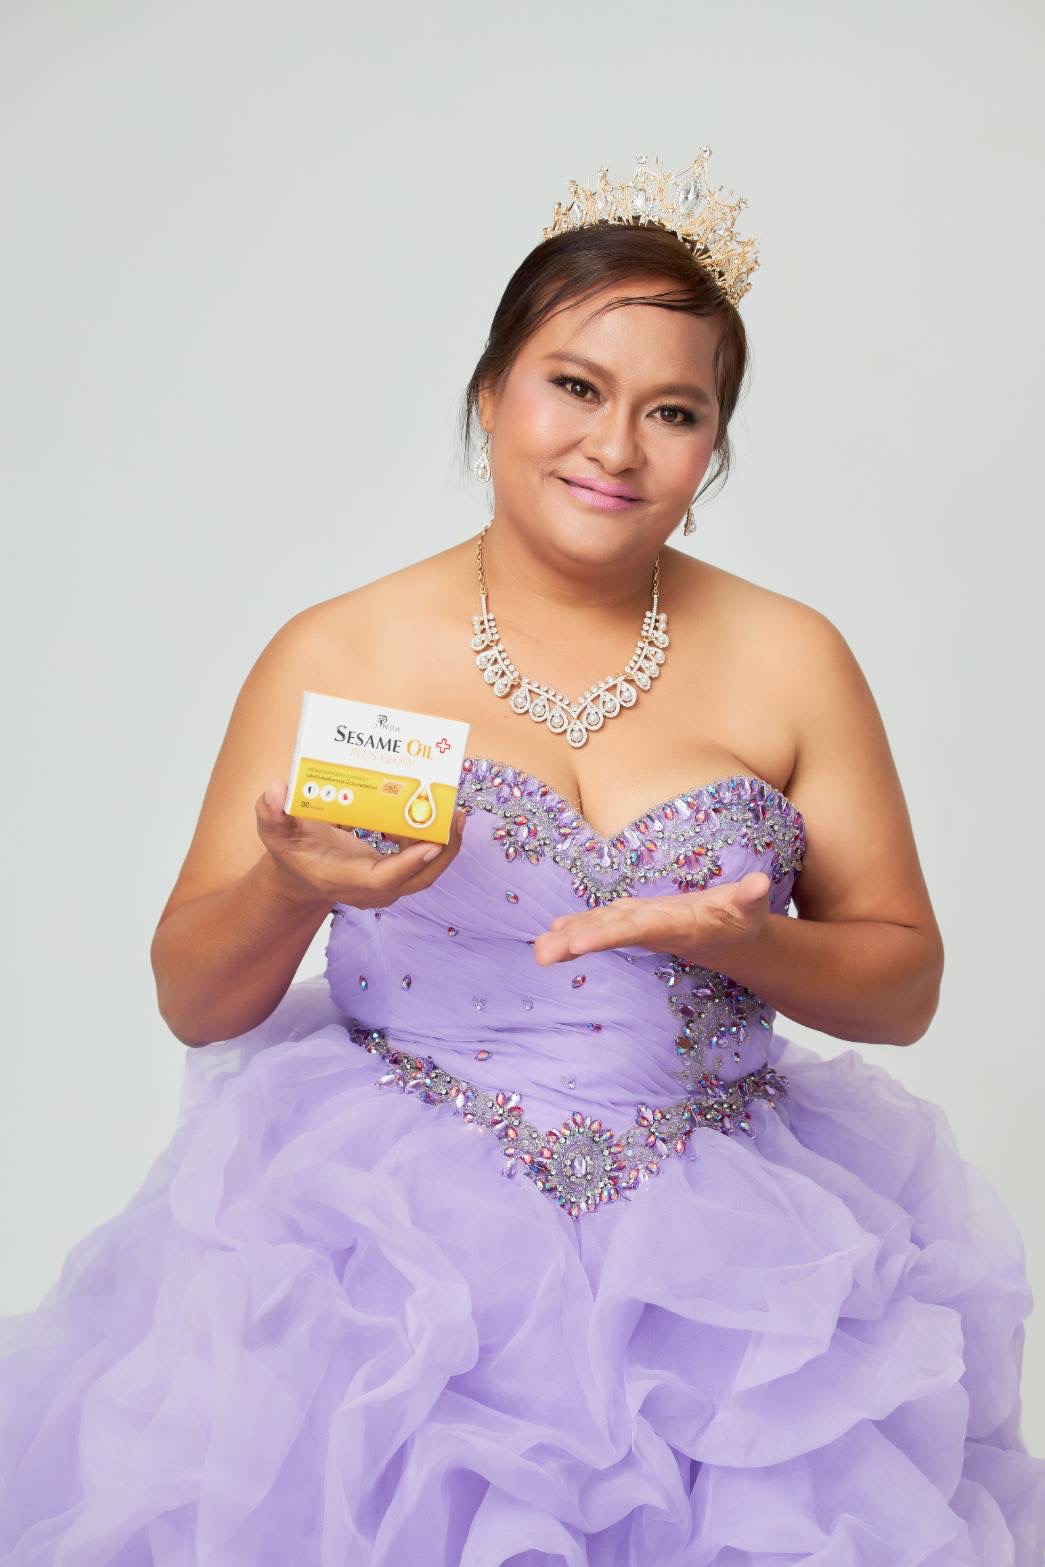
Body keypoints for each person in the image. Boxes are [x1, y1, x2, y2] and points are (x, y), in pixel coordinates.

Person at [2, 150, 1043, 1566]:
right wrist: (290, 886)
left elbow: (902, 985)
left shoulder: (793, 657)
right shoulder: (343, 650)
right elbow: (195, 1001)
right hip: (391, 1256)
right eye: (574, 386)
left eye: (672, 411)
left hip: (728, 1270)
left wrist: (752, 945)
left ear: (712, 448)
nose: (616, 446)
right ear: (490, 394)